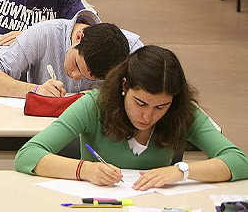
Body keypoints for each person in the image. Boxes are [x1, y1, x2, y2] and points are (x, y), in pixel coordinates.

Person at [14, 46, 248, 188]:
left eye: (161, 107)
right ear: (125, 86)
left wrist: (182, 171)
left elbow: (239, 161)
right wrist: (84, 170)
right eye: (140, 103)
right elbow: (28, 155)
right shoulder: (93, 105)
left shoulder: (183, 112)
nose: (148, 116)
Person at [0, 9, 142, 96]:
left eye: (88, 78)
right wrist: (35, 90)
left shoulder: (133, 50)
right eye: (76, 65)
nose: (74, 76)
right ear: (79, 38)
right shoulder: (43, 34)